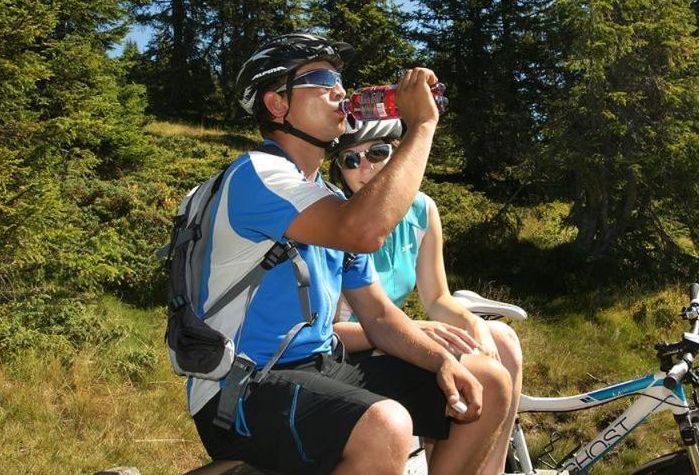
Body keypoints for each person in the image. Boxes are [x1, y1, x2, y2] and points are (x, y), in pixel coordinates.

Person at [185, 33, 514, 475]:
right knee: (387, 424)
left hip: (322, 367)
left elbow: (377, 316)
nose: (340, 90)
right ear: (277, 105)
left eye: (340, 78)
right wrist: (421, 126)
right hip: (242, 387)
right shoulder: (256, 175)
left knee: (488, 382)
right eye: (321, 79)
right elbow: (364, 231)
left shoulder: (323, 197)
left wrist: (442, 361)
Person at [328, 121, 523, 475]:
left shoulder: (421, 210)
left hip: (391, 335)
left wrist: (472, 322)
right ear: (339, 170)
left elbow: (436, 297)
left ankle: (487, 469)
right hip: (351, 348)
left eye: (376, 152)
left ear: (401, 154)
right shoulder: (337, 220)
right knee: (480, 371)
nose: (365, 167)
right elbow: (330, 331)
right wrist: (417, 330)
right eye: (350, 160)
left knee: (503, 340)